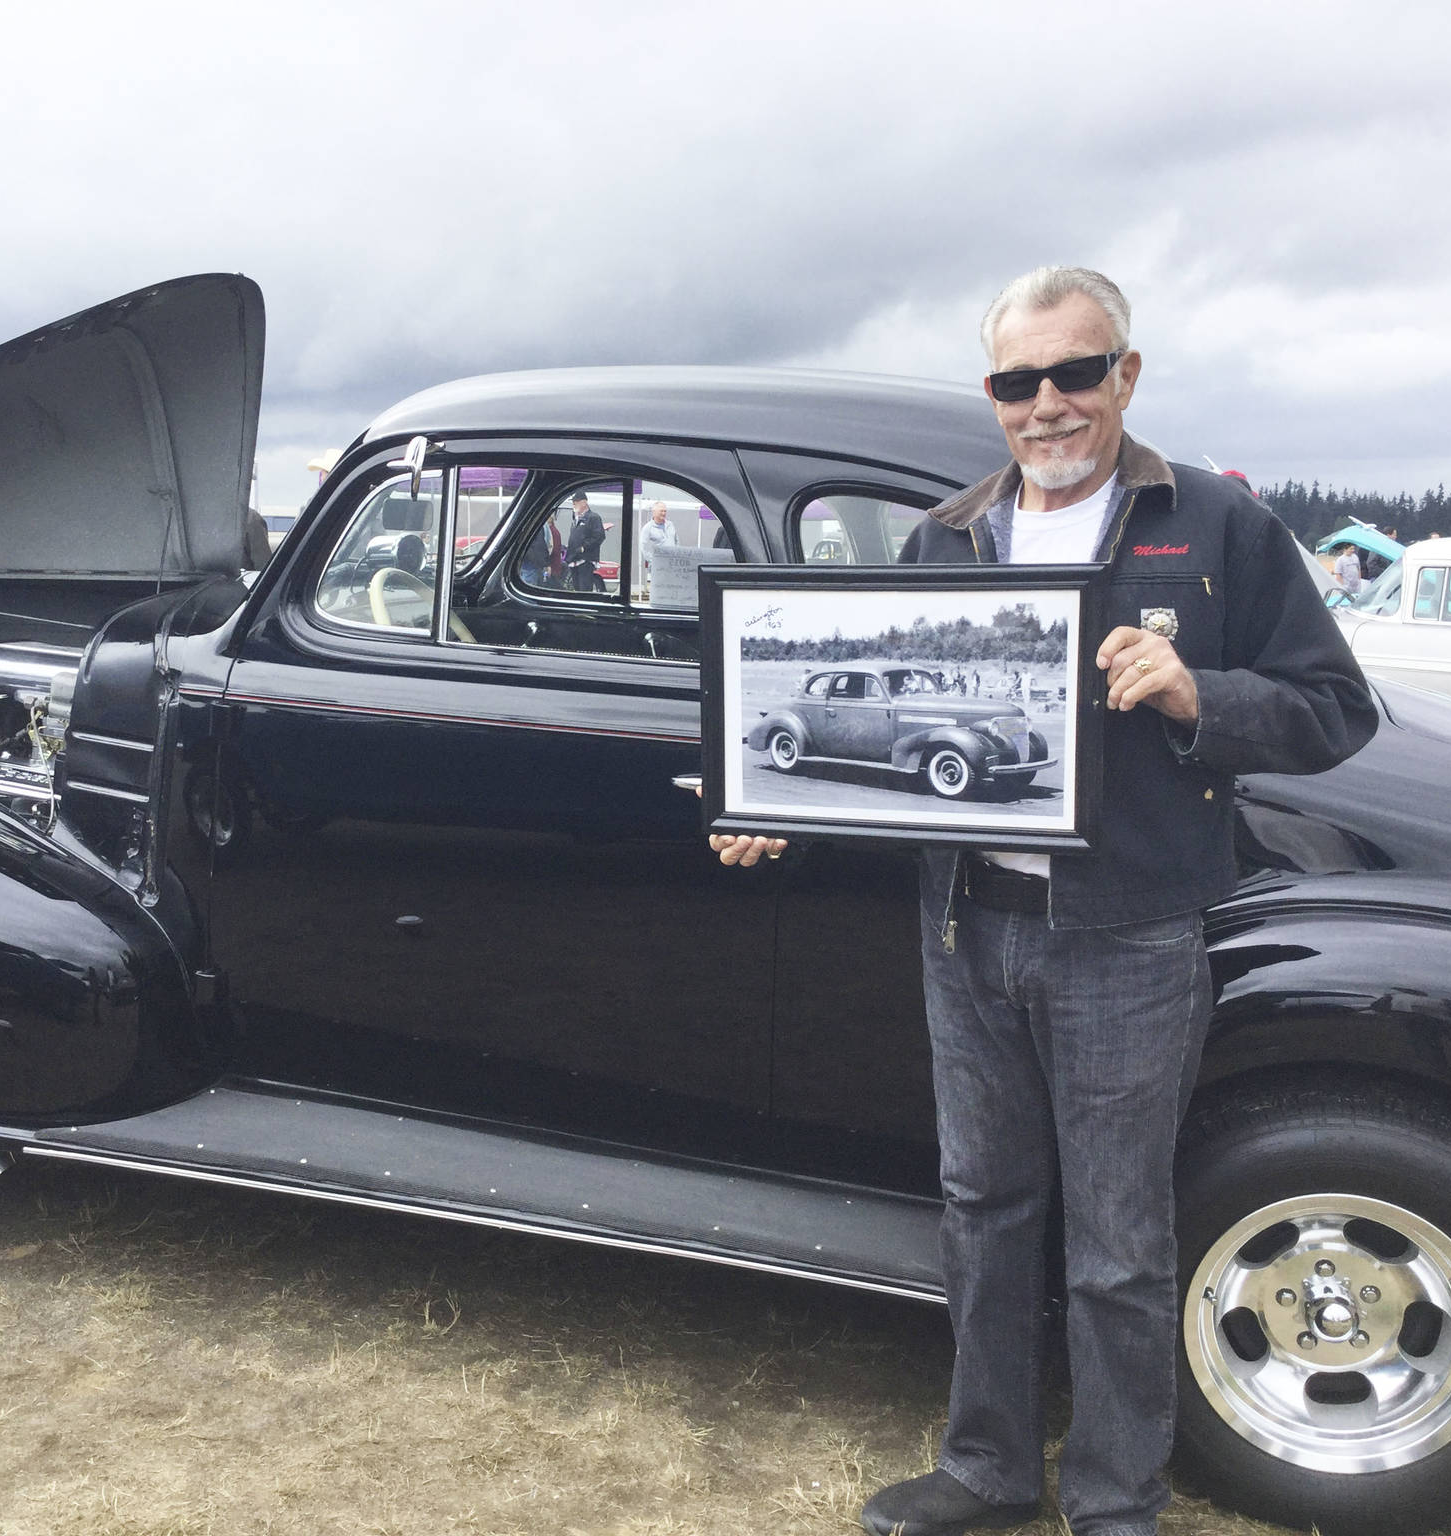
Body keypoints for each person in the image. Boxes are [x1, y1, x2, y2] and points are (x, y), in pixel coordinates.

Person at [711, 266, 1375, 1536]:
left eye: (1076, 373)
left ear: (1126, 375)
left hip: (1128, 937)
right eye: (1020, 382)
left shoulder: (1216, 529)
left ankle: (1116, 1500)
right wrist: (772, 812)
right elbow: (874, 722)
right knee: (982, 1208)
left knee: (1120, 1242)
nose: (1048, 405)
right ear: (994, 397)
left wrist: (1197, 697)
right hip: (967, 930)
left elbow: (1335, 712)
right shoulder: (947, 540)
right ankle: (986, 1468)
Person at [563, 490, 605, 592]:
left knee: (584, 589)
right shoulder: (576, 519)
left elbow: (599, 536)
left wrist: (584, 547)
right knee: (577, 589)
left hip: (586, 559)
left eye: (575, 502)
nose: (573, 504)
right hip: (574, 559)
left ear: (584, 502)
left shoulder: (593, 517)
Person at [641, 499, 676, 580]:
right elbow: (644, 548)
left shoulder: (670, 525)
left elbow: (676, 541)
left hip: (672, 566)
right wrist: (654, 561)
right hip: (657, 567)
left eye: (665, 511)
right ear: (654, 512)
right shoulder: (648, 528)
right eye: (661, 511)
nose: (664, 513)